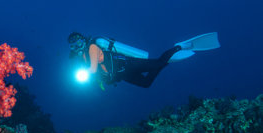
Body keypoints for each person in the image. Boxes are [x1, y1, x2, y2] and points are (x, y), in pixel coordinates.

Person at [68, 32, 220, 89]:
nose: (78, 46)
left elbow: (93, 69)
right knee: (146, 83)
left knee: (158, 62)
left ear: (83, 40)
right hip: (122, 74)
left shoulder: (92, 48)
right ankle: (167, 61)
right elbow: (97, 74)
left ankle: (179, 47)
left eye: (79, 42)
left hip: (127, 64)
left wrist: (84, 75)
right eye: (74, 45)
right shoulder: (83, 58)